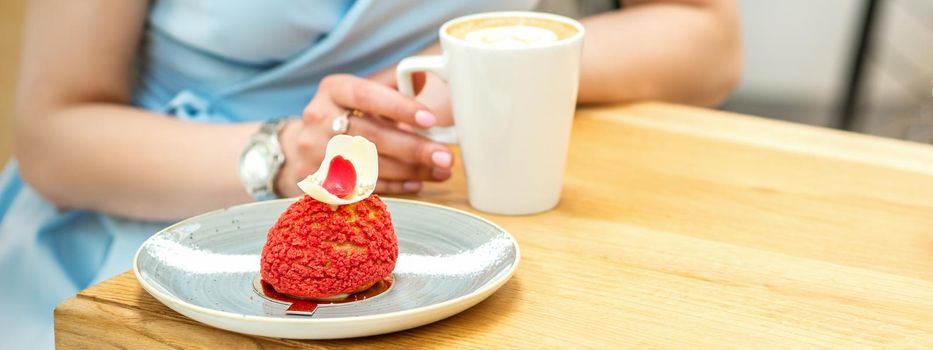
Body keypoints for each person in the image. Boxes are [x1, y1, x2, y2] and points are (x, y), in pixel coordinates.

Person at [0, 0, 740, 347]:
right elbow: (52, 134)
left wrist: (484, 74)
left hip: (463, 233)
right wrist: (283, 153)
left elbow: (706, 39)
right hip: (147, 214)